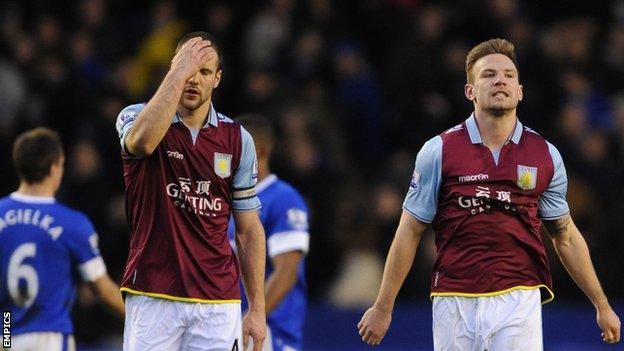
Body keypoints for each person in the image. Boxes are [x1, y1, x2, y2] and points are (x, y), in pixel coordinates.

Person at [358, 38, 621, 350]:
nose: (500, 80)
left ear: (520, 91)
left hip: (518, 298)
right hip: (454, 299)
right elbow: (410, 230)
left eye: (509, 75)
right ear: (470, 91)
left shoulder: (545, 155)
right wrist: (383, 307)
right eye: (488, 74)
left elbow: (565, 237)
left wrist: (601, 305)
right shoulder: (439, 150)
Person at [115, 31, 266, 351]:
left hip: (218, 302)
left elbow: (249, 232)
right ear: (173, 67)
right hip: (153, 294)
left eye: (204, 71)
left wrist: (257, 309)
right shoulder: (135, 116)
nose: (194, 79)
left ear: (218, 79)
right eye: (187, 67)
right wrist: (178, 72)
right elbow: (141, 143)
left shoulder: (238, 140)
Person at [0, 127, 125, 351]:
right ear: (55, 167)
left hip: (7, 333)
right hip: (50, 337)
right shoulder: (71, 223)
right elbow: (101, 289)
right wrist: (137, 318)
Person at [228, 114, 310, 351]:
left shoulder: (283, 199)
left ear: (261, 153)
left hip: (269, 331)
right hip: (232, 326)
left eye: (237, 151)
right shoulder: (226, 202)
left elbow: (286, 271)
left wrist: (253, 314)